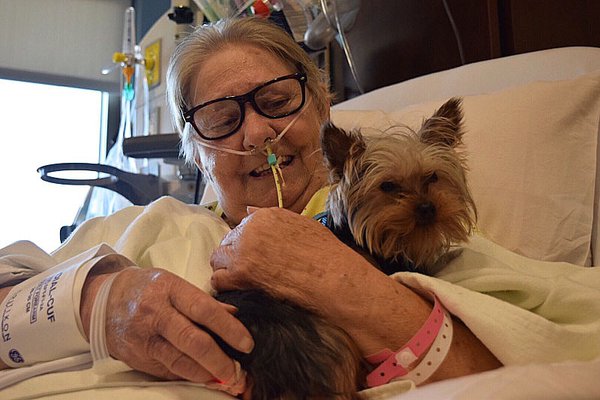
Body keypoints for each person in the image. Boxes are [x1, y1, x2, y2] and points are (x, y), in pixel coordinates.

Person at [9, 15, 597, 398]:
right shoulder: (138, 227)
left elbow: (538, 364)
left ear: (322, 109)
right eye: (221, 118)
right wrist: (96, 301)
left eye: (277, 100)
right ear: (196, 154)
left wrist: (342, 282)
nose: (259, 132)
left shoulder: (426, 245)